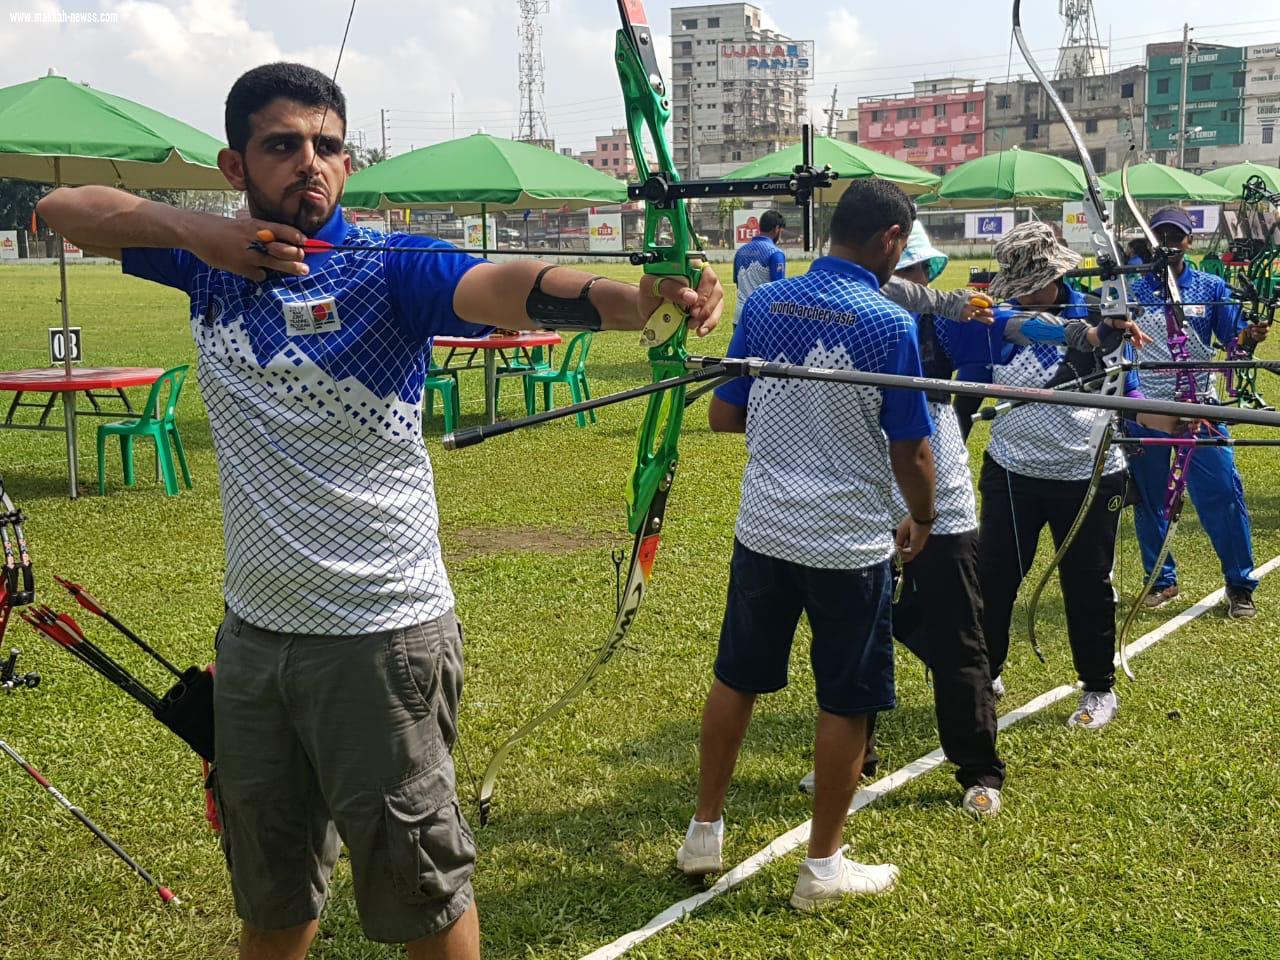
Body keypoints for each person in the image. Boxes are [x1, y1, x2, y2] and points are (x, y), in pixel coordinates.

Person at [37, 62, 724, 960]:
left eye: (326, 147)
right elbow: (62, 209)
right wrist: (200, 232)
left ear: (349, 164)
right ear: (235, 164)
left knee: (420, 892)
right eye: (282, 146)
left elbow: (499, 284)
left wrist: (630, 302)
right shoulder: (204, 261)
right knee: (271, 885)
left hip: (382, 638)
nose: (308, 164)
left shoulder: (388, 265)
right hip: (252, 642)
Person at [678, 179, 936, 909]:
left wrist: (793, 419)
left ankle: (703, 832)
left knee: (737, 678)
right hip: (848, 543)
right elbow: (912, 451)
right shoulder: (889, 325)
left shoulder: (763, 304)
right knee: (846, 701)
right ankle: (822, 868)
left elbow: (725, 419)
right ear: (888, 240)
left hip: (763, 528)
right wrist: (923, 515)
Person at [941, 222, 1153, 731]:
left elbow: (1132, 391)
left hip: (1089, 472)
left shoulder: (1100, 314)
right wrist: (947, 460)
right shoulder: (995, 321)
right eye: (1013, 286)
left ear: (1056, 275)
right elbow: (967, 396)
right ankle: (985, 675)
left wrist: (1161, 421)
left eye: (1030, 283)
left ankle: (1098, 688)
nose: (1021, 294)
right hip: (1013, 471)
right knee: (994, 579)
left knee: (1086, 583)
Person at [883, 223, 1006, 816]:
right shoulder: (861, 303)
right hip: (863, 474)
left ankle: (978, 769)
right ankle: (855, 754)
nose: (909, 280)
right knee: (860, 626)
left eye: (917, 269)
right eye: (901, 267)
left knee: (959, 626)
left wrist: (1089, 331)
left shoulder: (949, 314)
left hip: (938, 474)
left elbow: (1007, 332)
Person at [1126, 207, 1269, 619]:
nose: (1169, 242)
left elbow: (1234, 345)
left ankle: (1239, 585)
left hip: (1199, 406)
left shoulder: (1210, 286)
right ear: (1151, 240)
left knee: (1223, 492)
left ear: (1190, 241)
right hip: (1146, 408)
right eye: (1161, 235)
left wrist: (1248, 335)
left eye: (1177, 235)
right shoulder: (1133, 290)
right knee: (1150, 497)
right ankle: (1160, 578)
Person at [732, 209, 787, 324]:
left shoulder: (740, 252)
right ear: (776, 229)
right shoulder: (775, 253)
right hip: (763, 319)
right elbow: (778, 291)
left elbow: (738, 285)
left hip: (740, 316)